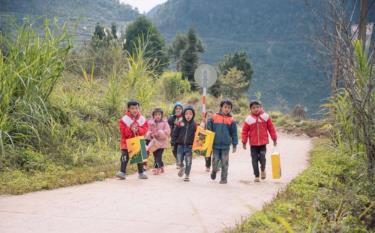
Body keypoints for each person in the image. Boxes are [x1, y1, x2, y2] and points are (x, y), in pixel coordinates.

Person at [241, 101, 277, 182]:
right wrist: (244, 142)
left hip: (263, 143)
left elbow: (271, 128)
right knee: (254, 160)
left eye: (257, 107)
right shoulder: (249, 119)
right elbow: (244, 131)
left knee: (262, 157)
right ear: (250, 109)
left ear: (261, 107)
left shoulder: (265, 117)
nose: (256, 109)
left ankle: (263, 169)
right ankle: (256, 175)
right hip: (253, 144)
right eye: (253, 108)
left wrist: (274, 138)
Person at [116, 100, 149, 180]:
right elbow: (123, 132)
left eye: (136, 108)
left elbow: (145, 129)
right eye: (132, 108)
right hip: (126, 141)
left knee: (140, 157)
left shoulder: (142, 119)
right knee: (124, 156)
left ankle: (141, 172)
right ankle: (122, 172)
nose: (135, 110)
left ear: (139, 108)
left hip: (138, 139)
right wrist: (130, 129)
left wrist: (138, 129)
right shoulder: (124, 119)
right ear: (128, 109)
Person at [207, 100, 238, 184]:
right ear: (221, 107)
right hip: (215, 145)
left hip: (225, 146)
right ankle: (214, 171)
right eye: (225, 107)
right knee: (215, 161)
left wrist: (234, 144)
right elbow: (208, 126)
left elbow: (234, 134)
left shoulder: (232, 120)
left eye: (229, 108)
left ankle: (224, 178)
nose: (227, 109)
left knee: (224, 162)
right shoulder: (214, 117)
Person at [172, 106, 197, 182]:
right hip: (180, 146)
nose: (188, 115)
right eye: (186, 114)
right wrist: (173, 142)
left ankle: (187, 175)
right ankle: (182, 167)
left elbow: (199, 134)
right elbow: (175, 133)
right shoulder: (180, 123)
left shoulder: (194, 124)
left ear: (193, 115)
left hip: (189, 147)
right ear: (184, 114)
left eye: (190, 114)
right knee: (179, 160)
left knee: (188, 161)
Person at [146, 108, 171, 175]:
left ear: (161, 115)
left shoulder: (165, 123)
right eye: (156, 115)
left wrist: (159, 133)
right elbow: (147, 131)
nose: (157, 116)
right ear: (153, 116)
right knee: (155, 155)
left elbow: (167, 132)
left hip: (162, 143)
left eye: (159, 114)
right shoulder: (150, 123)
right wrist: (151, 134)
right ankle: (161, 166)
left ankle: (156, 168)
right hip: (154, 143)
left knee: (158, 155)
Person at [168, 102, 184, 168]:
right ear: (174, 110)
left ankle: (180, 162)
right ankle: (178, 160)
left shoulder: (184, 117)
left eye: (180, 109)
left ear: (182, 110)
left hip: (181, 138)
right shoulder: (172, 117)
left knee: (180, 151)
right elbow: (168, 123)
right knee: (174, 150)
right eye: (177, 108)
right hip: (173, 138)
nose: (178, 110)